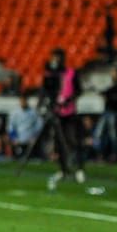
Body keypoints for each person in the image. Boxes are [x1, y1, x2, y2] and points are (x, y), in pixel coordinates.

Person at [41, 48, 86, 186]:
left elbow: (78, 90)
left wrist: (69, 99)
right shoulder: (50, 74)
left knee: (72, 140)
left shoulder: (71, 73)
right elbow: (46, 90)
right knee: (58, 143)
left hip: (70, 111)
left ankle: (79, 169)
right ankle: (63, 169)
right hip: (57, 112)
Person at [95, 66, 117, 163]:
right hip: (107, 112)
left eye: (114, 72)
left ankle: (115, 154)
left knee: (113, 135)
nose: (112, 74)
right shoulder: (112, 86)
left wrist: (109, 96)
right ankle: (102, 154)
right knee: (99, 133)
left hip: (114, 112)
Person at [6, 92, 42, 160]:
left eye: (24, 101)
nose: (23, 102)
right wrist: (14, 138)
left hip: (30, 140)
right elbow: (11, 126)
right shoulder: (15, 112)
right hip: (18, 140)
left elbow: (39, 124)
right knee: (17, 158)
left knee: (30, 158)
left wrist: (35, 136)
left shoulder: (33, 112)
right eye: (22, 101)